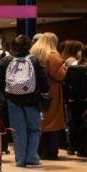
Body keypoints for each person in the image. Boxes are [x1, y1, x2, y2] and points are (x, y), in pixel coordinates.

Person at [0, 35, 49, 168]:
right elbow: (44, 82)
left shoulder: (6, 60)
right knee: (34, 129)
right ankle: (32, 159)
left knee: (18, 130)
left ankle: (20, 159)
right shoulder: (35, 61)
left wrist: (7, 92)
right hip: (32, 100)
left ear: (12, 46)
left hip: (13, 100)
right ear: (29, 46)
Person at [30, 32, 66, 160]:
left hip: (35, 92)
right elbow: (60, 75)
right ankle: (50, 151)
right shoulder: (52, 55)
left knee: (39, 122)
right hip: (51, 93)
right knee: (52, 122)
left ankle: (37, 150)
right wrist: (65, 67)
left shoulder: (34, 53)